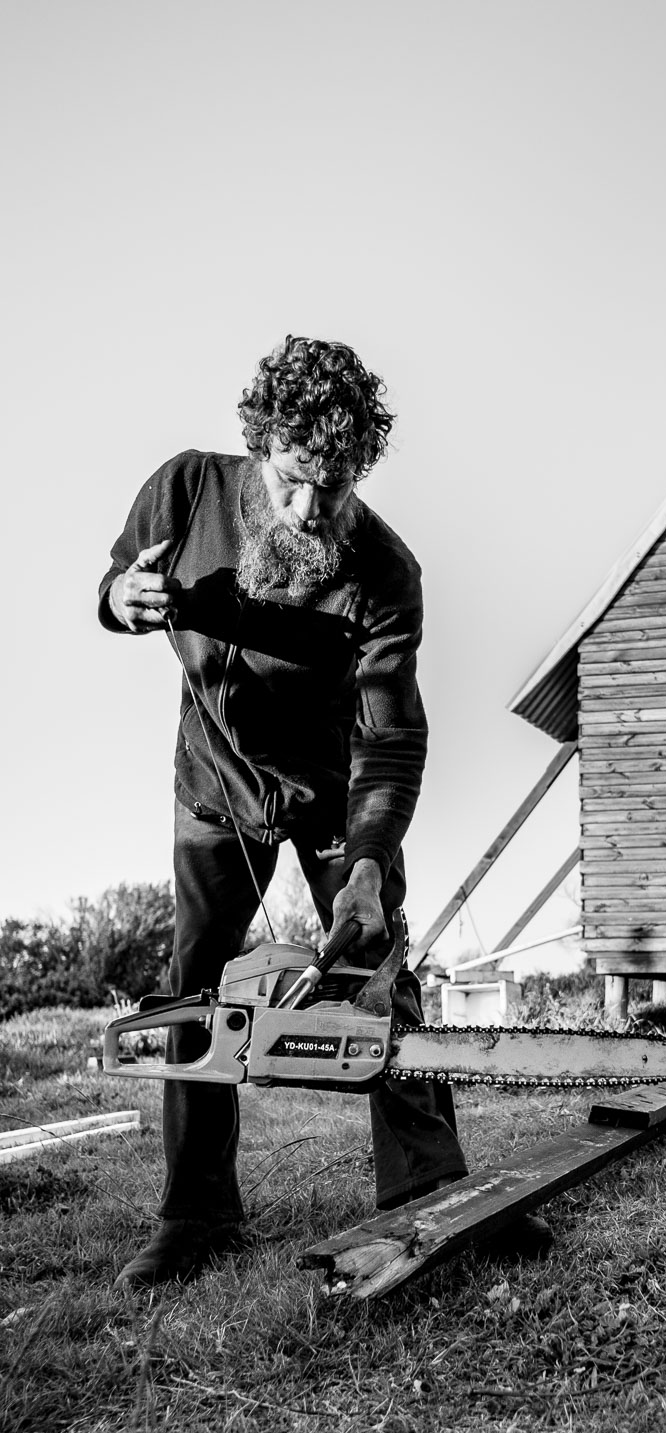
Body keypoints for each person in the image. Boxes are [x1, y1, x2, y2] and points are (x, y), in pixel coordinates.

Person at [98, 336, 482, 1289]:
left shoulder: (386, 574)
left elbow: (391, 736)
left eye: (337, 483)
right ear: (259, 444)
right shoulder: (185, 491)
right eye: (295, 478)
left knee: (379, 968)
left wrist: (364, 866)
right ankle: (196, 1213)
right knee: (194, 983)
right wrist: (121, 597)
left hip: (333, 800)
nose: (313, 506)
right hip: (215, 784)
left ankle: (428, 1191)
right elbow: (110, 585)